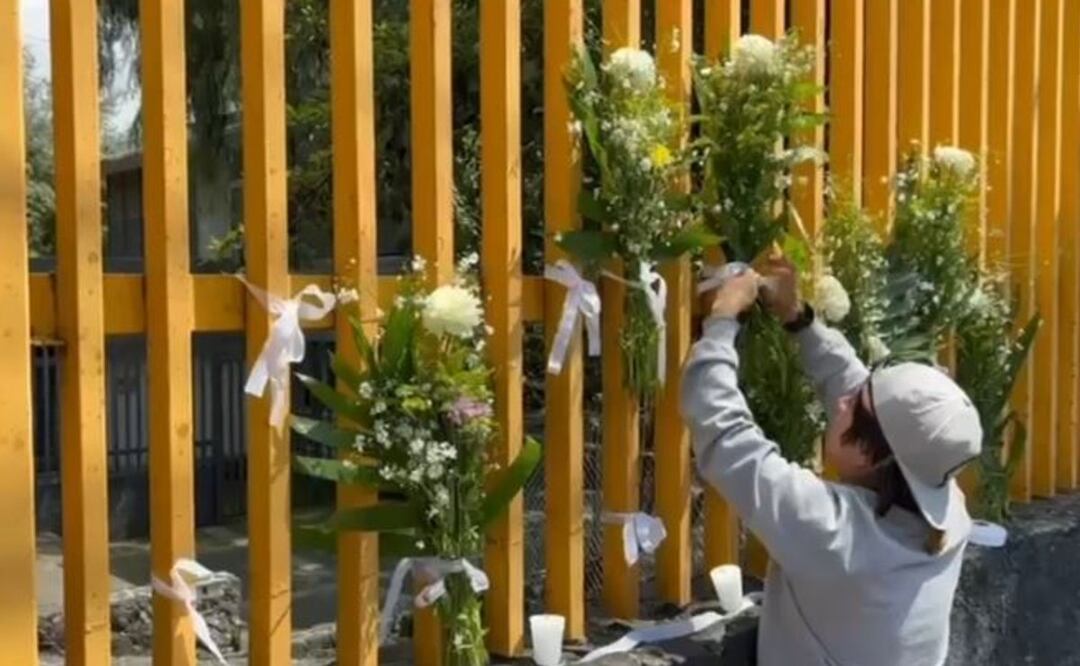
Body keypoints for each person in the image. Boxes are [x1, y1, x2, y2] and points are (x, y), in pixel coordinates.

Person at [681, 257, 982, 666]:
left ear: (868, 452)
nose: (841, 398)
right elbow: (867, 398)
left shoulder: (833, 533)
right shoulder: (949, 512)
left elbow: (726, 436)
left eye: (853, 406)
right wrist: (798, 318)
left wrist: (720, 322)